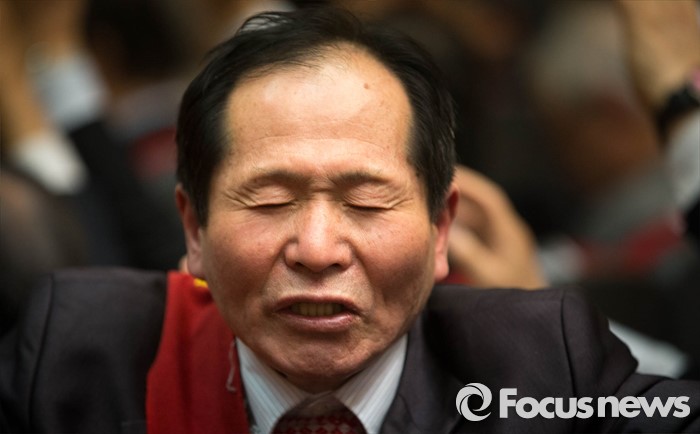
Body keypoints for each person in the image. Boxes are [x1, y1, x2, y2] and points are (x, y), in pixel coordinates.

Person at [1, 7, 699, 434]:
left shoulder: (539, 364)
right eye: (269, 200)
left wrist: (683, 112)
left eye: (366, 202)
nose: (316, 248)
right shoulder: (81, 351)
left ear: (440, 230)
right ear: (194, 231)